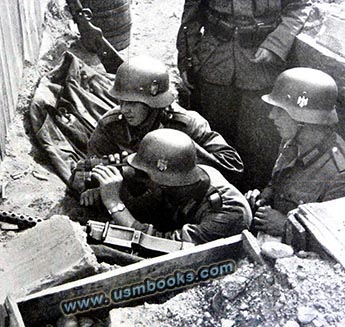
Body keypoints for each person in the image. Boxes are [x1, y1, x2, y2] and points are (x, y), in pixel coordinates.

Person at [176, 0, 311, 190]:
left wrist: (275, 45)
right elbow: (191, 15)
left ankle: (253, 197)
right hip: (215, 62)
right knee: (212, 137)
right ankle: (210, 195)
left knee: (259, 144)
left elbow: (299, 7)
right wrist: (187, 58)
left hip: (262, 68)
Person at [72, 55, 244, 201]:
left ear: (153, 103)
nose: (125, 109)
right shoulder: (111, 125)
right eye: (121, 101)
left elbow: (231, 166)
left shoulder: (186, 123)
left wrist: (180, 148)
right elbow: (92, 170)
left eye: (133, 103)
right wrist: (100, 186)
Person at [92, 128, 252, 244]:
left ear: (165, 183)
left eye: (147, 176)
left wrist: (114, 204)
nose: (144, 180)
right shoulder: (183, 176)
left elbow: (160, 244)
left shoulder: (227, 212)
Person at [246, 67, 345, 237]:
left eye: (281, 111)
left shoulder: (338, 173)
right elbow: (278, 181)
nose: (271, 116)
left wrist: (286, 227)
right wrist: (265, 197)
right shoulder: (291, 141)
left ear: (304, 121)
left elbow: (334, 237)